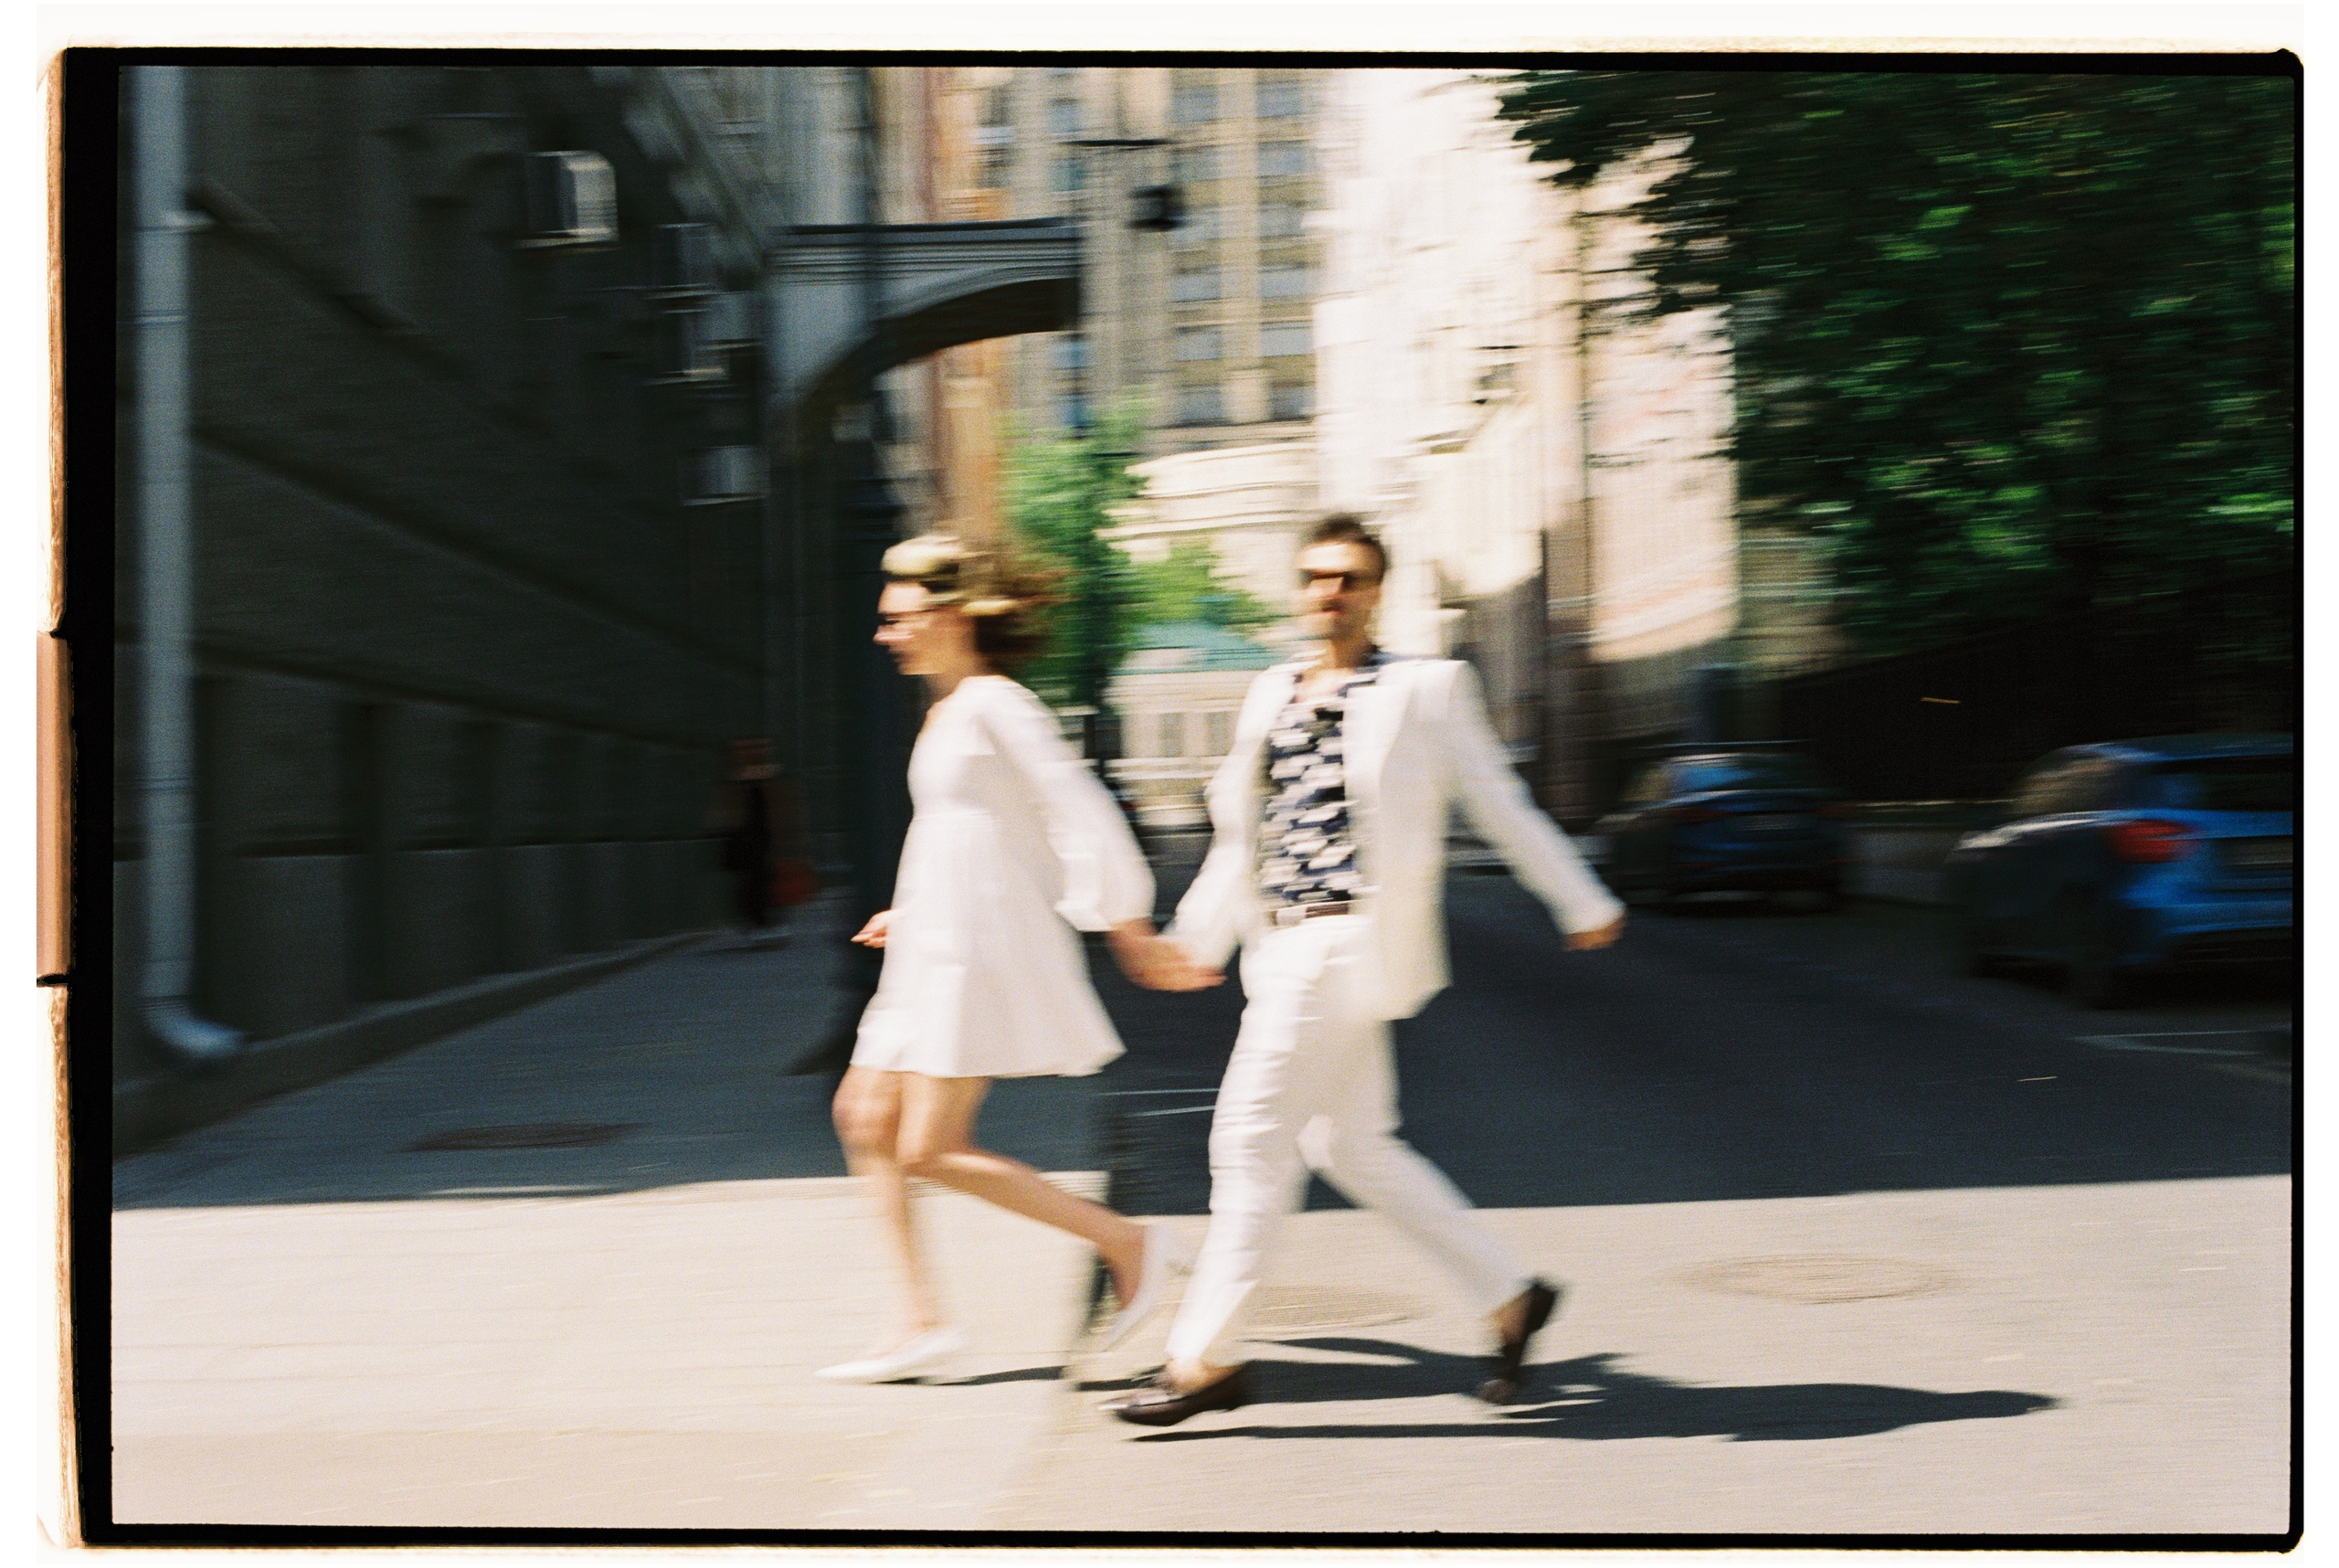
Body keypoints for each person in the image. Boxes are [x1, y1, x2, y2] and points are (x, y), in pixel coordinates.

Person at [1101, 515, 1627, 1426]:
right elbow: (1244, 837)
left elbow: (1499, 801)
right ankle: (1508, 1296)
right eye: (1314, 576)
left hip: (1345, 940)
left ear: (1375, 588)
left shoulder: (1424, 688)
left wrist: (1579, 899)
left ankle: (1201, 1361)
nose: (1328, 592)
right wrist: (1198, 939)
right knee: (1349, 1144)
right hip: (1281, 941)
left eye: (1347, 577)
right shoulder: (1271, 691)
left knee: (1247, 1142)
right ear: (1299, 589)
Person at [820, 533, 1222, 1385]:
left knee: (927, 1146)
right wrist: (913, 908)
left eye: (897, 618)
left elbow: (1079, 811)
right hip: (937, 941)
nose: (883, 634)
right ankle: (918, 1323)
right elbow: (971, 832)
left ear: (950, 616)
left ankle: (1130, 1243)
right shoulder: (950, 709)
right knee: (863, 1116)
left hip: (971, 953)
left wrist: (1127, 926)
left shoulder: (998, 704)